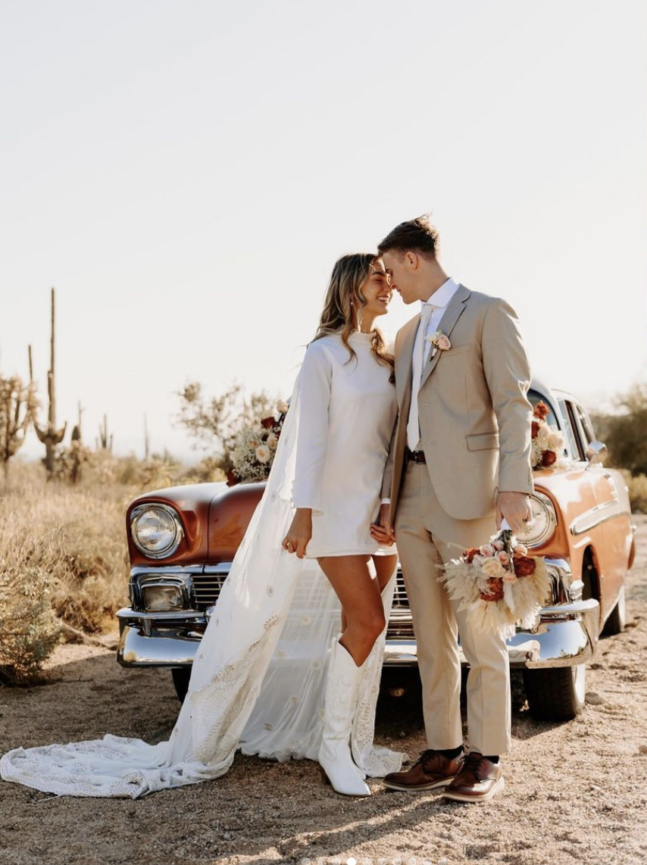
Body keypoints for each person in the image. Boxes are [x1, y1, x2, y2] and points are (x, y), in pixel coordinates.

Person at [1, 254, 403, 799]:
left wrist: (389, 507)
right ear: (352, 287)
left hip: (378, 514)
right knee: (369, 620)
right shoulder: (323, 355)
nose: (390, 284)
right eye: (379, 276)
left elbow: (393, 443)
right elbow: (307, 442)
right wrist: (303, 514)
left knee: (370, 625)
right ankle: (334, 748)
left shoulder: (386, 358)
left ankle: (347, 739)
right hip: (332, 511)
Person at [371, 215, 533, 804]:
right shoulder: (410, 332)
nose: (389, 284)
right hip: (411, 494)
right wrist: (389, 498)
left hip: (470, 495)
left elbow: (513, 405)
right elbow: (399, 423)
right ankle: (443, 750)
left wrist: (515, 485)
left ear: (413, 259)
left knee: (481, 629)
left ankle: (486, 756)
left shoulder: (488, 312)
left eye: (391, 270)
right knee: (431, 636)